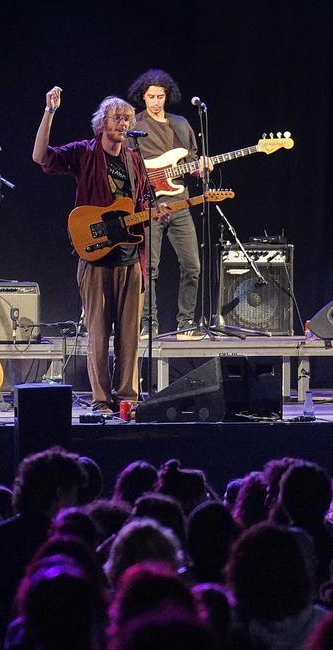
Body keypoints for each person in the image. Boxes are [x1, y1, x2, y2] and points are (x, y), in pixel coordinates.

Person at [33, 86, 152, 412]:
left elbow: (142, 205)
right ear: (102, 122)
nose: (124, 124)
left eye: (128, 119)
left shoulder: (134, 160)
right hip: (96, 256)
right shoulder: (84, 153)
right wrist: (50, 112)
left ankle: (127, 398)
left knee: (130, 337)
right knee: (98, 334)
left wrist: (158, 212)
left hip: (131, 258)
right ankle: (101, 400)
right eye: (117, 118)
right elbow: (41, 157)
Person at [127, 69, 212, 339]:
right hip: (149, 207)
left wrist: (200, 168)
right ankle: (148, 324)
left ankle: (185, 323)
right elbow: (126, 162)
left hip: (180, 203)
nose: (155, 102)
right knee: (148, 269)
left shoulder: (181, 124)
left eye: (160, 96)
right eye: (151, 96)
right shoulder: (135, 124)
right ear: (142, 97)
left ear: (167, 96)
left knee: (192, 266)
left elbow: (191, 160)